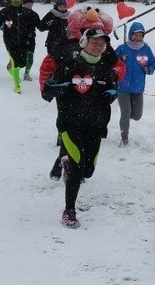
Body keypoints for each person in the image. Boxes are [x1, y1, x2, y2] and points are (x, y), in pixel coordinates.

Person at [39, 28, 125, 228]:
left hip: (95, 126)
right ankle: (69, 210)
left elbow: (113, 88)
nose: (98, 47)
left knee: (88, 171)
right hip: (71, 125)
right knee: (77, 169)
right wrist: (66, 86)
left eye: (102, 45)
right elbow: (47, 92)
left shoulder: (105, 69)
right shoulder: (69, 65)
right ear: (84, 42)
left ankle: (65, 161)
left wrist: (110, 94)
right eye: (95, 42)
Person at [45, 6, 116, 181]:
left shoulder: (103, 47)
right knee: (71, 131)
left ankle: (69, 164)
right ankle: (69, 166)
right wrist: (51, 88)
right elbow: (48, 66)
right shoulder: (66, 46)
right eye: (85, 29)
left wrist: (111, 82)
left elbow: (117, 66)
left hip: (94, 101)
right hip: (68, 99)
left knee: (85, 137)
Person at [114, 22, 155, 145]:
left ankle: (127, 121)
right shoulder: (122, 49)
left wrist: (149, 70)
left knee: (137, 115)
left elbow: (152, 63)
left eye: (140, 35)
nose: (138, 38)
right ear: (130, 34)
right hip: (123, 87)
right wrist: (117, 67)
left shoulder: (146, 49)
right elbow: (112, 62)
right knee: (125, 113)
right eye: (135, 35)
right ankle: (124, 136)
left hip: (138, 88)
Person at [0, 0, 41, 93]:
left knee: (22, 63)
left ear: (20, 0)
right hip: (10, 41)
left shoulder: (27, 12)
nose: (15, 0)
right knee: (15, 62)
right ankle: (17, 86)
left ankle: (12, 70)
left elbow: (39, 24)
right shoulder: (5, 11)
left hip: (23, 42)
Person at [20, 0, 42, 81]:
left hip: (31, 38)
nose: (29, 4)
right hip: (20, 39)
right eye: (27, 3)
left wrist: (48, 25)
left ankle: (26, 73)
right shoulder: (19, 13)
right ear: (24, 4)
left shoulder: (34, 14)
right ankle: (11, 65)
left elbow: (40, 26)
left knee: (30, 57)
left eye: (30, 3)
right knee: (20, 57)